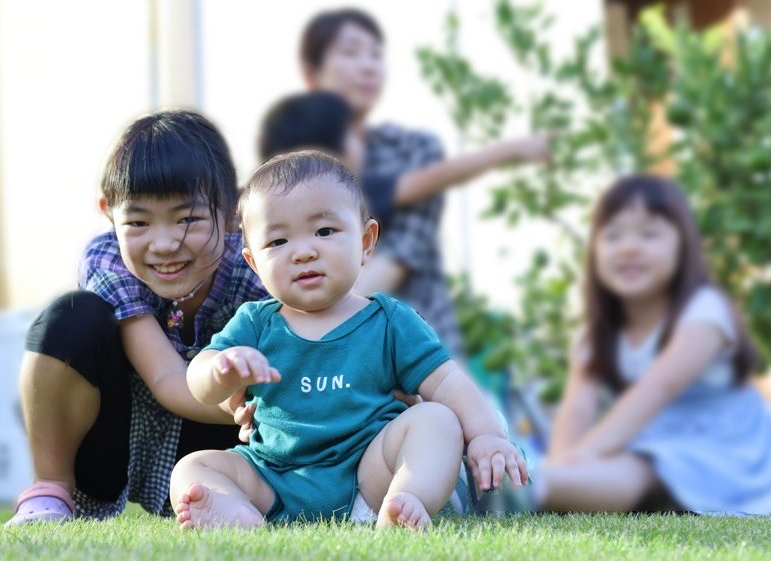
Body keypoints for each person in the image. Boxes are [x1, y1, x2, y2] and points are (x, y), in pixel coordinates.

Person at [170, 151, 528, 530]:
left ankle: (405, 500)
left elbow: (446, 382)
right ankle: (238, 514)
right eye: (278, 241)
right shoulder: (254, 324)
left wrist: (487, 435)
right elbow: (199, 384)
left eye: (324, 231)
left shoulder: (389, 320)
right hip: (274, 475)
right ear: (254, 262)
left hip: (368, 475)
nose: (304, 251)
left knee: (436, 419)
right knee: (193, 467)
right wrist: (220, 370)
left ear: (366, 241)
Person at [5, 110, 270, 526]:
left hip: (223, 448)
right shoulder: (109, 260)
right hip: (121, 441)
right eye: (138, 222)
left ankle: (255, 497)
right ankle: (49, 492)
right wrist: (240, 401)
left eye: (187, 219)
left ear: (231, 211)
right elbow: (167, 380)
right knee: (68, 318)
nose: (164, 244)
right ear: (109, 213)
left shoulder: (258, 265)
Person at [298, 8, 549, 356]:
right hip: (315, 354)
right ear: (312, 74)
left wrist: (305, 333)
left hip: (419, 350)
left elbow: (401, 255)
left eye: (376, 54)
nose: (369, 66)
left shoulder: (412, 149)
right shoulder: (291, 163)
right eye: (351, 52)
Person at [537, 175, 771, 514]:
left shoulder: (703, 311)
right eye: (612, 235)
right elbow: (578, 407)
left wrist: (588, 455)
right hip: (657, 438)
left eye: (648, 234)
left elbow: (658, 388)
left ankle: (533, 488)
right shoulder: (598, 332)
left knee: (641, 470)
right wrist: (563, 463)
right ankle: (543, 488)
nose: (628, 247)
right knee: (630, 466)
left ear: (683, 247)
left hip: (727, 446)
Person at [258, 90, 550, 234]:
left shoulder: (256, 201)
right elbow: (439, 175)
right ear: (328, 149)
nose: (363, 143)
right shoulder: (350, 190)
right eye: (353, 134)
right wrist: (513, 149)